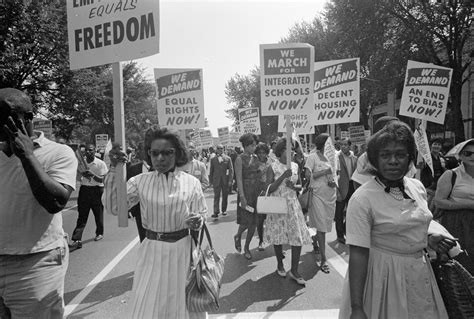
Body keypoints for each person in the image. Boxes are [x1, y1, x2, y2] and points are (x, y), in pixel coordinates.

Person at [339, 121, 456, 319]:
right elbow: (358, 254)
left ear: (410, 158)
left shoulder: (417, 187)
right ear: (375, 160)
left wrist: (427, 240)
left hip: (420, 273)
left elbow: (412, 224)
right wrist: (357, 307)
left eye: (400, 155)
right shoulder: (362, 198)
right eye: (385, 155)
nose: (393, 161)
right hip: (383, 279)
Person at [103, 127, 207, 318]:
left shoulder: (192, 182)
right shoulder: (139, 181)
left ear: (178, 154)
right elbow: (114, 208)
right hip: (152, 250)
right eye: (154, 153)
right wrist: (113, 169)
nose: (160, 158)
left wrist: (198, 220)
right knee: (150, 305)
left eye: (167, 153)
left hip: (183, 251)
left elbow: (201, 213)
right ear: (148, 154)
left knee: (183, 305)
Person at [0, 88, 78, 318]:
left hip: (36, 264)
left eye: (6, 120)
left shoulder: (58, 153)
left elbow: (55, 202)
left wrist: (27, 156)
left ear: (27, 119)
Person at [265, 138, 312, 285]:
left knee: (296, 238)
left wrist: (294, 186)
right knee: (278, 237)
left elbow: (301, 187)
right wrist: (283, 177)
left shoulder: (295, 166)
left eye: (292, 149)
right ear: (280, 151)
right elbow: (268, 189)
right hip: (277, 206)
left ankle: (295, 270)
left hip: (293, 205)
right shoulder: (272, 167)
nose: (291, 151)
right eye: (287, 149)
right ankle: (280, 264)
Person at [434, 138, 474, 275]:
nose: (472, 156)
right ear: (460, 156)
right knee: (462, 262)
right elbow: (439, 201)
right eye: (468, 153)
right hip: (458, 223)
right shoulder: (451, 175)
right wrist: (468, 204)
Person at [305, 133, 337, 274]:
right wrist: (324, 171)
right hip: (317, 196)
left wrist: (332, 181)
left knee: (323, 226)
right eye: (329, 141)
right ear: (323, 143)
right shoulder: (312, 157)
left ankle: (315, 238)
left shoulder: (334, 157)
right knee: (322, 228)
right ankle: (324, 260)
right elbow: (307, 176)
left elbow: (336, 174)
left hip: (330, 196)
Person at [69, 143, 108, 249]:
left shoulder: (100, 164)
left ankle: (99, 233)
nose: (88, 152)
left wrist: (92, 175)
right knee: (82, 216)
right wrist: (81, 175)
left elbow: (102, 180)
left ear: (95, 151)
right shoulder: (82, 164)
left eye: (91, 150)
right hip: (84, 190)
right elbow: (77, 178)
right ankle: (77, 239)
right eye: (86, 150)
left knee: (98, 214)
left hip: (97, 191)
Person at [126, 128, 156, 243]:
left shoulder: (165, 169)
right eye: (142, 150)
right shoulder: (133, 170)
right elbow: (126, 194)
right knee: (145, 243)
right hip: (140, 213)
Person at [234, 133, 259, 260]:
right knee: (246, 221)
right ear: (245, 146)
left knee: (253, 223)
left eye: (255, 145)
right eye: (251, 145)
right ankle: (238, 235)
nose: (254, 148)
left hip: (256, 194)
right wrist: (242, 196)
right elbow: (238, 179)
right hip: (245, 193)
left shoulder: (256, 158)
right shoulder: (239, 159)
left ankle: (246, 247)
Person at [335, 138, 358, 244]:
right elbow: (334, 174)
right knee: (339, 213)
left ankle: (345, 229)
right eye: (341, 144)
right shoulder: (336, 157)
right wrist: (336, 189)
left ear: (349, 146)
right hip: (340, 187)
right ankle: (340, 235)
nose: (343, 146)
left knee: (351, 212)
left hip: (352, 186)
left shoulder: (354, 158)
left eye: (345, 144)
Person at [419, 138, 446, 210]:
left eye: (439, 144)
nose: (437, 146)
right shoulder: (425, 157)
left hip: (438, 186)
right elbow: (420, 167)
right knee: (427, 207)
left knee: (435, 208)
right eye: (435, 144)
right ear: (431, 145)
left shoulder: (441, 158)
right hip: (428, 186)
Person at [255, 142, 272, 251]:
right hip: (259, 193)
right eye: (260, 153)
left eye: (264, 153)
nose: (262, 155)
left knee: (272, 218)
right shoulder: (254, 164)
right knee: (260, 219)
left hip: (271, 192)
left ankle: (275, 241)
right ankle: (261, 241)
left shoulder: (272, 162)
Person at [209, 144, 233, 218]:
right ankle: (216, 211)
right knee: (216, 196)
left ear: (223, 149)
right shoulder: (213, 159)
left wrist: (230, 180)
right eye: (218, 148)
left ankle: (224, 210)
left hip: (225, 180)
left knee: (225, 196)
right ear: (216, 149)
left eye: (221, 148)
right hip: (217, 180)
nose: (220, 150)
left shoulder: (228, 158)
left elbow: (231, 170)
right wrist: (211, 181)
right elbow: (211, 171)